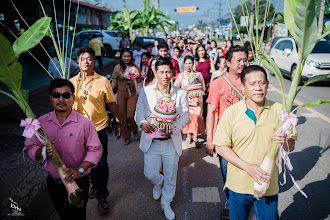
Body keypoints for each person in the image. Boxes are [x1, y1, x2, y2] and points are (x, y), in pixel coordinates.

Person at [213, 65, 297, 220]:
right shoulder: (232, 112)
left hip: (268, 185)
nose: (258, 88)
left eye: (262, 83)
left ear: (267, 85)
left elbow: (290, 146)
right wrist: (248, 167)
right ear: (243, 87)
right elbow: (221, 147)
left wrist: (284, 140)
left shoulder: (280, 111)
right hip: (238, 185)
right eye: (252, 84)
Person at [24, 79, 102, 219]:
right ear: (50, 98)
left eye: (66, 95)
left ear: (73, 98)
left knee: (77, 217)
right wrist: (40, 152)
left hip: (79, 181)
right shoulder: (39, 123)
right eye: (56, 95)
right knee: (64, 216)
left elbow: (95, 150)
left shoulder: (85, 123)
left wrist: (80, 170)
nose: (61, 99)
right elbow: (30, 146)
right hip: (54, 182)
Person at [135, 57, 189, 220]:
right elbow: (139, 113)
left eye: (168, 72)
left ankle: (167, 201)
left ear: (172, 73)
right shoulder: (146, 91)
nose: (165, 75)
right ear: (155, 73)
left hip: (171, 143)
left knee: (171, 175)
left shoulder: (180, 93)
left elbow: (185, 116)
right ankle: (158, 182)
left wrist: (174, 128)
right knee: (150, 173)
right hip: (151, 143)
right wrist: (142, 123)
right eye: (162, 72)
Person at [70, 47, 121, 213]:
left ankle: (102, 196)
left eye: (90, 58)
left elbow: (111, 104)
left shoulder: (103, 81)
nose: (86, 61)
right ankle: (94, 185)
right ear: (78, 61)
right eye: (83, 58)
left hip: (98, 130)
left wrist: (118, 122)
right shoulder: (70, 83)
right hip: (77, 133)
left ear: (93, 61)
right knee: (84, 162)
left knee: (101, 163)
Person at [206, 45, 248, 219]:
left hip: (248, 136)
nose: (243, 63)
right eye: (239, 60)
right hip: (226, 139)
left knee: (247, 170)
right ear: (228, 63)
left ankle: (247, 199)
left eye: (245, 60)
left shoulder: (251, 81)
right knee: (228, 173)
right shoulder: (218, 83)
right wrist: (210, 139)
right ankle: (230, 204)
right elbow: (211, 112)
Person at [174, 56, 206, 147]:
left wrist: (197, 92)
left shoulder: (198, 75)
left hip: (197, 101)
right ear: (184, 64)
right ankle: (188, 135)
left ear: (193, 64)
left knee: (196, 118)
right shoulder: (181, 75)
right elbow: (175, 88)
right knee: (188, 118)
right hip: (186, 101)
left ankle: (195, 136)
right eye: (186, 63)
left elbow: (203, 87)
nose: (188, 65)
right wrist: (184, 89)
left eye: (190, 63)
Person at [112, 48, 141, 145]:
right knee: (122, 115)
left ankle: (134, 129)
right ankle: (126, 135)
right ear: (121, 57)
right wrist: (110, 92)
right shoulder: (117, 67)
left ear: (131, 57)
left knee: (130, 115)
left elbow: (140, 78)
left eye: (128, 56)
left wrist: (134, 81)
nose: (126, 58)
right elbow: (114, 81)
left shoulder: (135, 66)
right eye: (124, 56)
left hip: (132, 93)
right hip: (121, 92)